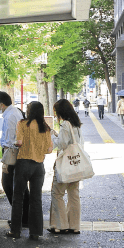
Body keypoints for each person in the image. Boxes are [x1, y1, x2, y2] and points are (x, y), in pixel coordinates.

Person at [6, 101, 53, 240]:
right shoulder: (45, 127)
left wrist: (15, 143)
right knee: (36, 199)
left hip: (23, 163)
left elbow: (19, 142)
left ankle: (15, 231)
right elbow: (49, 149)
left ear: (30, 111)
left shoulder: (22, 124)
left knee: (18, 198)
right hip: (39, 166)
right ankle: (35, 232)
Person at [0, 91, 29, 226]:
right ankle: (23, 217)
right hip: (16, 151)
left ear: (1, 104)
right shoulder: (14, 112)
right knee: (19, 186)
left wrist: (5, 163)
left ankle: (20, 218)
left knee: (9, 185)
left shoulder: (10, 116)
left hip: (12, 151)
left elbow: (10, 139)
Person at [48, 99, 83, 235]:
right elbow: (72, 141)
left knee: (57, 194)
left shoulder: (64, 124)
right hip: (76, 164)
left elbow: (61, 144)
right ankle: (74, 226)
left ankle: (60, 225)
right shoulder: (76, 124)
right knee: (74, 194)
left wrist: (52, 136)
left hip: (64, 164)